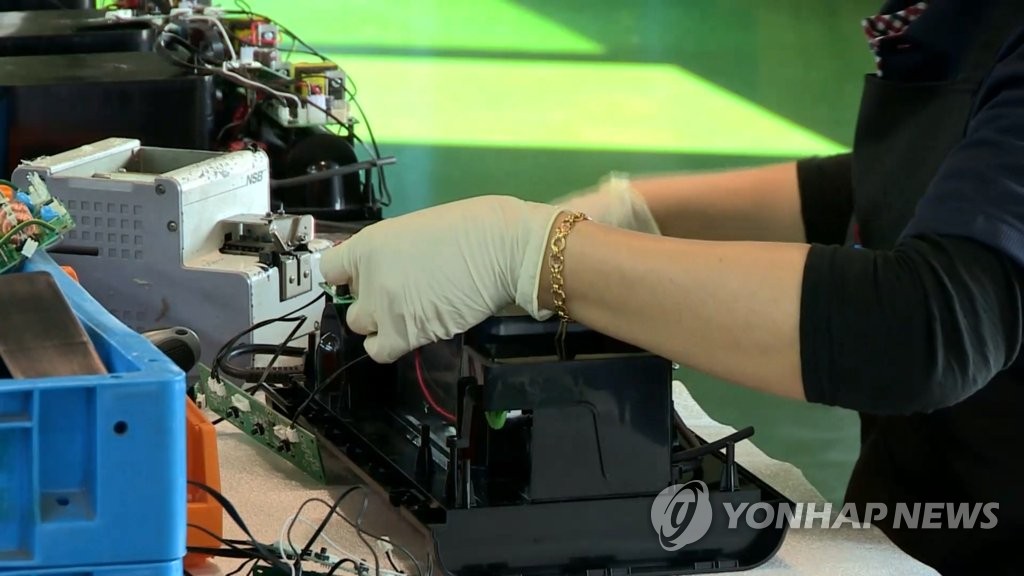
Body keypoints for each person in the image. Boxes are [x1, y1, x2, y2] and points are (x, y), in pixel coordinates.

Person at [319, 1, 1024, 573]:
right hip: (906, 528)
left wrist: (536, 253)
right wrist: (629, 211)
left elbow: (924, 327)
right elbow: (906, 183)